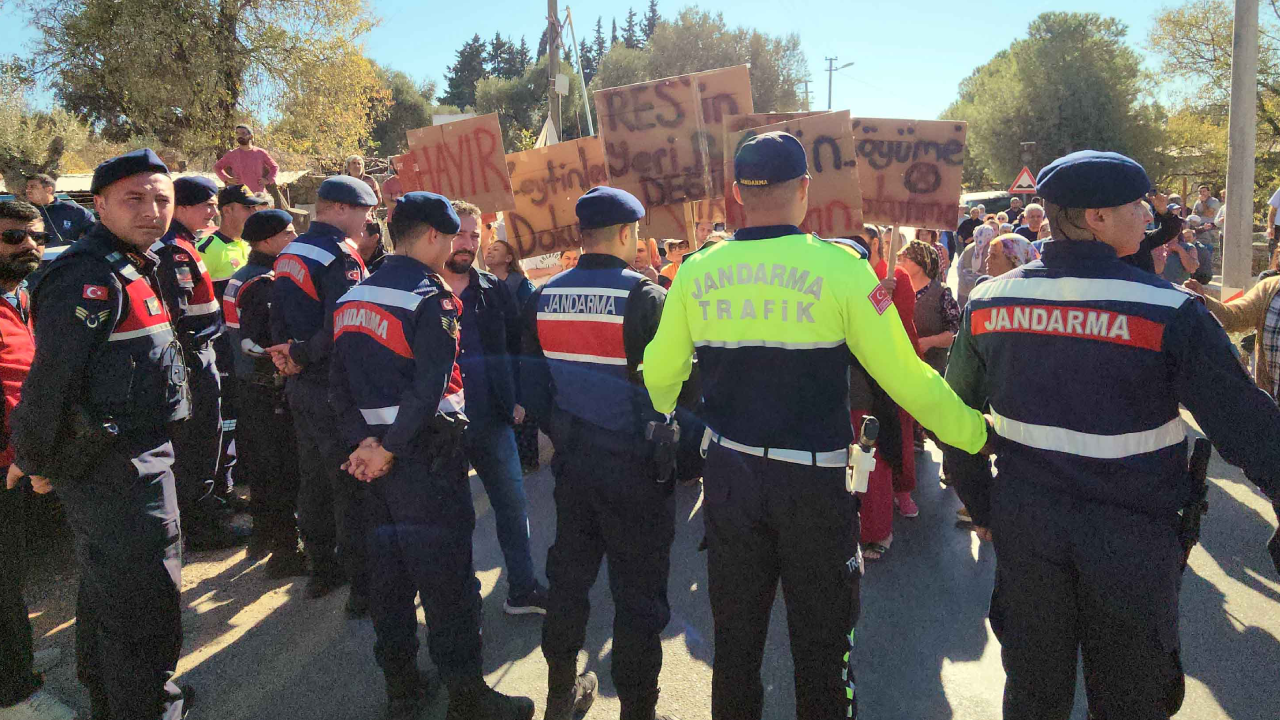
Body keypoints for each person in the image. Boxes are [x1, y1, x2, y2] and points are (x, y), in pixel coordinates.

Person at [642, 131, 990, 720]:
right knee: (823, 653)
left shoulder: (697, 269)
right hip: (814, 489)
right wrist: (980, 433)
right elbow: (908, 379)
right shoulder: (843, 269)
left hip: (730, 481)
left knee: (736, 647)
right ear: (805, 189)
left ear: (735, 194)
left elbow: (659, 375)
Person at [944, 150, 1280, 720]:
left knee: (1032, 692)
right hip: (1131, 541)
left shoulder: (990, 301)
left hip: (1026, 530)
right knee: (1131, 698)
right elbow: (1249, 429)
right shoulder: (1169, 310)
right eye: (1138, 205)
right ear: (1096, 216)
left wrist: (983, 506)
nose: (1149, 216)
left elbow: (954, 420)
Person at [329, 191, 535, 720]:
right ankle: (468, 698)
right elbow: (429, 388)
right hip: (423, 459)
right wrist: (392, 449)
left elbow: (338, 386)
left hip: (369, 465)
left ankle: (402, 688)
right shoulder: (432, 296)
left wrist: (366, 446)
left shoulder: (354, 295)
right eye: (450, 238)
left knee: (389, 582)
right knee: (448, 583)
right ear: (432, 238)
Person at [10, 149, 193, 719]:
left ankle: (114, 703)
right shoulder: (88, 275)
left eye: (161, 198)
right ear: (100, 205)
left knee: (109, 598)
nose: (152, 210)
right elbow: (51, 381)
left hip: (134, 459)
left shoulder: (134, 263)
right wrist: (38, 459)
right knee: (144, 605)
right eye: (134, 199)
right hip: (115, 467)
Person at [520, 186, 675, 720]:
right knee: (637, 594)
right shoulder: (646, 297)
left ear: (582, 236)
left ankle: (561, 689)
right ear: (629, 234)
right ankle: (638, 708)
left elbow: (534, 387)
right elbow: (676, 389)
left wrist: (563, 432)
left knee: (569, 577)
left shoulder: (543, 295)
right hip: (635, 469)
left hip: (574, 464)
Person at [268, 175, 373, 609]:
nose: (367, 222)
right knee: (348, 482)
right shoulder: (338, 255)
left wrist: (288, 356)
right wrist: (305, 355)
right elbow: (344, 323)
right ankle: (362, 586)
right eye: (365, 212)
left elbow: (280, 314)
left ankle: (320, 568)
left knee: (312, 478)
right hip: (330, 384)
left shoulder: (290, 251)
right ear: (342, 209)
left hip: (301, 385)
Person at [438, 200, 547, 615]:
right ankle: (459, 602)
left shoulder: (492, 289)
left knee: (513, 508)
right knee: (452, 519)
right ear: (439, 236)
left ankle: (522, 589)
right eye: (459, 235)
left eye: (474, 236)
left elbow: (514, 347)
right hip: (439, 425)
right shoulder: (420, 289)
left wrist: (517, 397)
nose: (467, 244)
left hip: (492, 419)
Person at [0, 201, 76, 720]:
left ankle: (15, 663)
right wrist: (24, 456)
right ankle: (14, 695)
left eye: (35, 236)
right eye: (12, 237)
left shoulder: (26, 295)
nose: (29, 245)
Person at [154, 176, 243, 551]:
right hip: (191, 356)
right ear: (184, 207)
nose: (212, 211)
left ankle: (209, 505)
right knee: (199, 441)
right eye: (206, 205)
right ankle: (203, 525)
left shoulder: (185, 243)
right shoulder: (174, 249)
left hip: (201, 351)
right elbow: (179, 314)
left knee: (208, 437)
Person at [223, 209, 307, 577]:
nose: (294, 238)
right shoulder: (264, 282)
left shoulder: (240, 277)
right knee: (282, 469)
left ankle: (262, 537)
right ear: (268, 241)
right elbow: (259, 342)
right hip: (267, 387)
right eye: (288, 233)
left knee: (260, 467)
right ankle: (285, 551)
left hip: (247, 387)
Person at [201, 183, 267, 511]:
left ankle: (242, 478)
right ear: (228, 210)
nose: (253, 213)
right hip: (220, 351)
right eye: (247, 207)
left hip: (247, 352)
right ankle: (220, 488)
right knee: (225, 417)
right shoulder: (206, 247)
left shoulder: (247, 247)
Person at [899, 239, 960, 377]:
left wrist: (929, 342)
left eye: (905, 259)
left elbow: (955, 332)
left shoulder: (942, 293)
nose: (900, 263)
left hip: (932, 371)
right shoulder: (898, 290)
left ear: (920, 264)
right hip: (901, 368)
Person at [23, 173, 95, 259]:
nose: (28, 190)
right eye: (27, 187)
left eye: (33, 187)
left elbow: (93, 236)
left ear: (48, 190)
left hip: (67, 261)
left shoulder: (74, 211)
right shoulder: (22, 212)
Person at [1120, 191, 1183, 275]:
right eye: (1141, 214)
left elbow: (1170, 230)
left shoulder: (1143, 239)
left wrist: (1164, 212)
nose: (1149, 219)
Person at [212, 124, 280, 195]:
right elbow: (216, 167)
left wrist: (268, 180)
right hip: (240, 196)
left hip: (258, 196)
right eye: (237, 133)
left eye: (243, 133)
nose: (240, 136)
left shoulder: (260, 152)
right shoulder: (232, 154)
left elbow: (275, 167)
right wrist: (228, 179)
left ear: (251, 136)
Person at [484, 239, 536, 308]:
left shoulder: (521, 284)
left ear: (508, 258)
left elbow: (533, 308)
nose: (489, 252)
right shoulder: (482, 283)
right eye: (489, 249)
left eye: (495, 249)